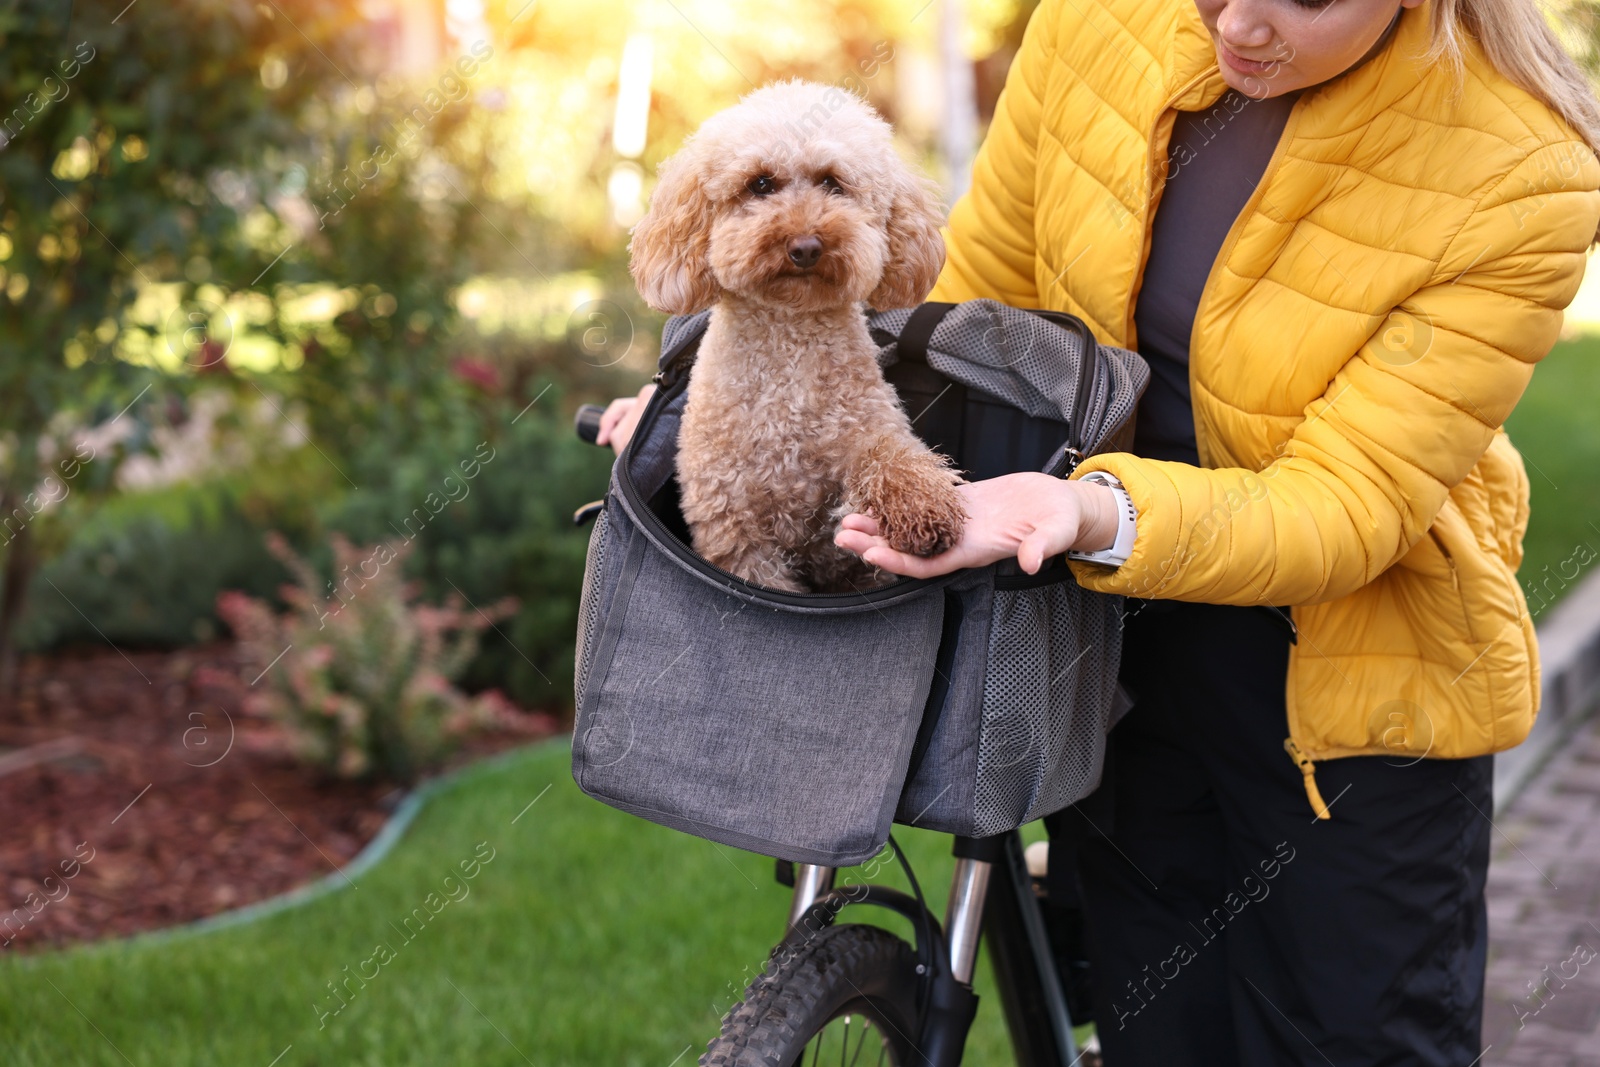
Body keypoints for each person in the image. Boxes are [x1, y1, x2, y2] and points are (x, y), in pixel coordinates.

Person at [599, 0, 1600, 1061]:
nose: (1243, 25)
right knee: (1158, 1029)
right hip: (1103, 646)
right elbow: (974, 298)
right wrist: (714, 394)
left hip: (1344, 689)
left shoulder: (1519, 167)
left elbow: (1351, 503)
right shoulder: (1102, 21)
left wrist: (1089, 508)